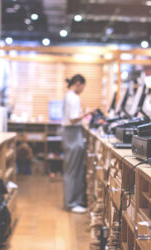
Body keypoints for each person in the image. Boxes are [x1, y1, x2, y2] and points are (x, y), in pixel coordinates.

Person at [62, 74, 91, 213]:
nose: (83, 90)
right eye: (83, 87)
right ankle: (71, 203)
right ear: (78, 83)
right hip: (72, 133)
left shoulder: (71, 96)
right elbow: (73, 119)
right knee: (73, 170)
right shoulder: (72, 97)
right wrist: (87, 113)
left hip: (73, 133)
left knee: (76, 169)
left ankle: (75, 201)